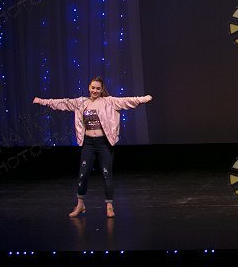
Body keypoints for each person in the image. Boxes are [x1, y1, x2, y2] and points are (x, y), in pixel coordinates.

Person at [33, 77, 153, 218]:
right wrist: (42, 101)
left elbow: (127, 101)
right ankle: (80, 205)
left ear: (101, 90)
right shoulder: (81, 102)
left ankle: (109, 206)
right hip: (89, 144)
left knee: (107, 174)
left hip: (104, 144)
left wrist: (143, 99)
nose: (95, 90)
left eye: (98, 88)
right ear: (89, 88)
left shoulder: (109, 102)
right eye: (93, 88)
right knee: (83, 175)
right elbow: (62, 103)